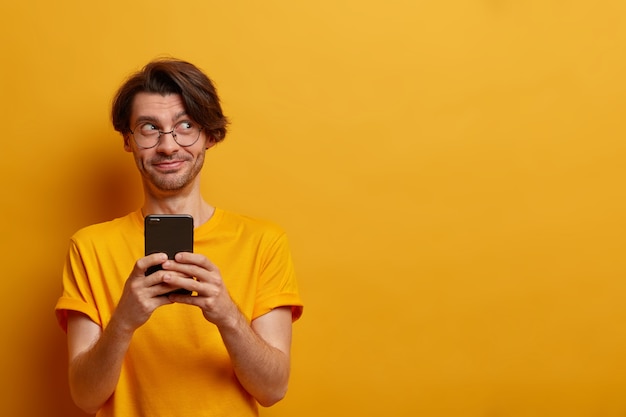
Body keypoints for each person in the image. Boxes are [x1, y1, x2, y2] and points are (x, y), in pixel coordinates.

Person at [55, 58, 304, 417]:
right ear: (128, 140)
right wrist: (124, 320)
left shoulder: (264, 241)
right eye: (148, 128)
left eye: (185, 125)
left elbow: (272, 389)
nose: (168, 146)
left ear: (210, 135)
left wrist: (226, 314)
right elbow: (85, 396)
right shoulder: (90, 247)